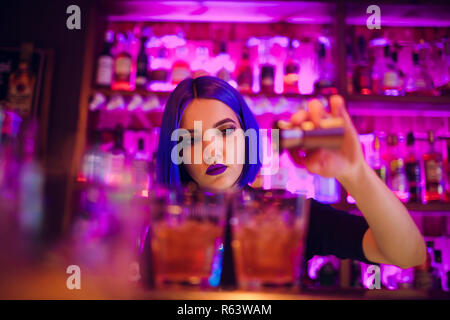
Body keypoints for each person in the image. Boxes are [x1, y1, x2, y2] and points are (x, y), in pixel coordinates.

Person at [155, 75, 426, 269]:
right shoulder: (161, 224)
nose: (211, 150)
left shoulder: (285, 218)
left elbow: (407, 254)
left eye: (225, 131)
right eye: (191, 139)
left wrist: (355, 173)